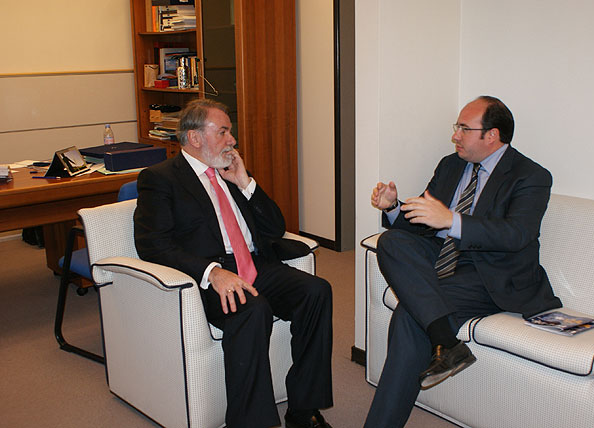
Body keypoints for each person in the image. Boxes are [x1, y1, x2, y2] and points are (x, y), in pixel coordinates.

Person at [134, 99, 334, 428]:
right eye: (224, 131)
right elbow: (153, 244)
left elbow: (273, 228)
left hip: (255, 266)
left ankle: (303, 409)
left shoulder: (230, 170)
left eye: (230, 131)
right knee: (253, 310)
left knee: (316, 291)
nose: (233, 140)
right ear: (195, 138)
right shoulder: (161, 179)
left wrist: (245, 183)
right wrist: (211, 272)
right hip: (212, 276)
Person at [364, 96, 561, 428]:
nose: (455, 135)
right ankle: (446, 340)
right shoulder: (450, 165)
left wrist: (452, 220)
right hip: (441, 259)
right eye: (456, 127)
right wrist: (393, 207)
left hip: (490, 274)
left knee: (409, 315)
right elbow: (427, 223)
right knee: (392, 241)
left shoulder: (531, 176)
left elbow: (517, 235)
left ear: (491, 135)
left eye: (463, 129)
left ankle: (441, 341)